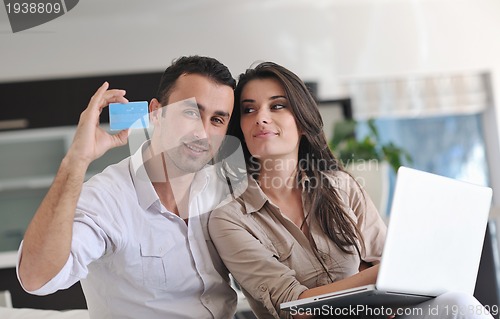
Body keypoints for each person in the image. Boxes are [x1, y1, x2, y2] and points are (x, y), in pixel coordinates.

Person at [208, 62, 494, 319]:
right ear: (242, 131)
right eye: (249, 109)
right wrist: (382, 275)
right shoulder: (229, 218)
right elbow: (293, 307)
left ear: (303, 123)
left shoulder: (341, 187)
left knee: (458, 304)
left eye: (277, 105)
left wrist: (393, 277)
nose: (261, 117)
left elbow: (390, 267)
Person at [17, 56, 243, 319]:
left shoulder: (225, 190)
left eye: (217, 120)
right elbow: (36, 277)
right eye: (191, 112)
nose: (203, 133)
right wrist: (75, 160)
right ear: (156, 112)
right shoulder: (108, 198)